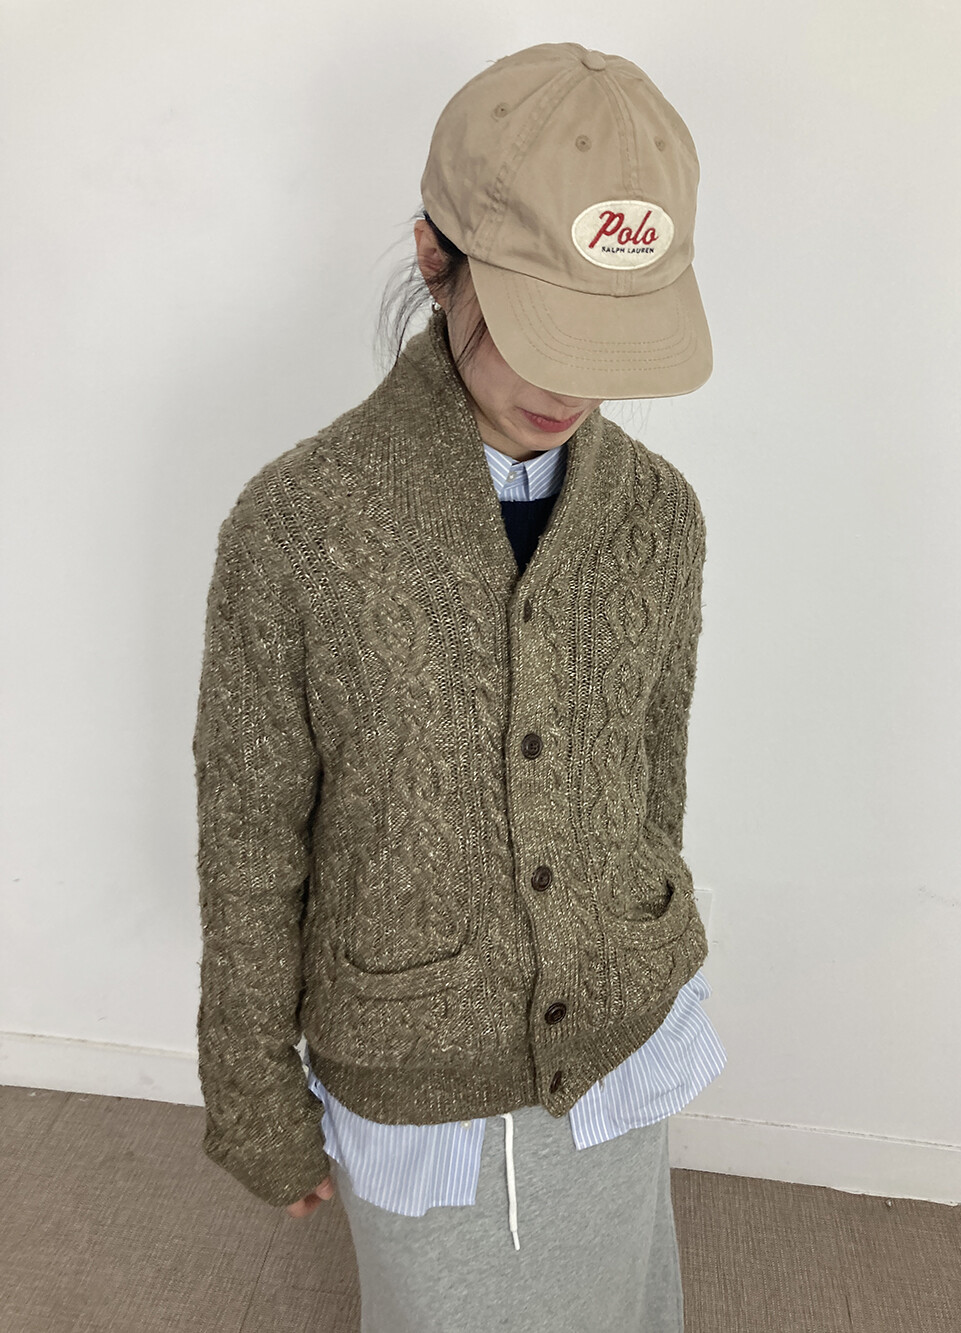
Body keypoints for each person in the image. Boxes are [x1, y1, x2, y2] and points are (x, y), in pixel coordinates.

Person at [192, 40, 726, 1332]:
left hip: (622, 1036)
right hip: (411, 1063)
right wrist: (253, 1091)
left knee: (619, 1298)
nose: (570, 382)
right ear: (437, 255)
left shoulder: (660, 517)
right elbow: (251, 838)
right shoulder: (301, 528)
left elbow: (651, 782)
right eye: (544, 327)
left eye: (609, 335)